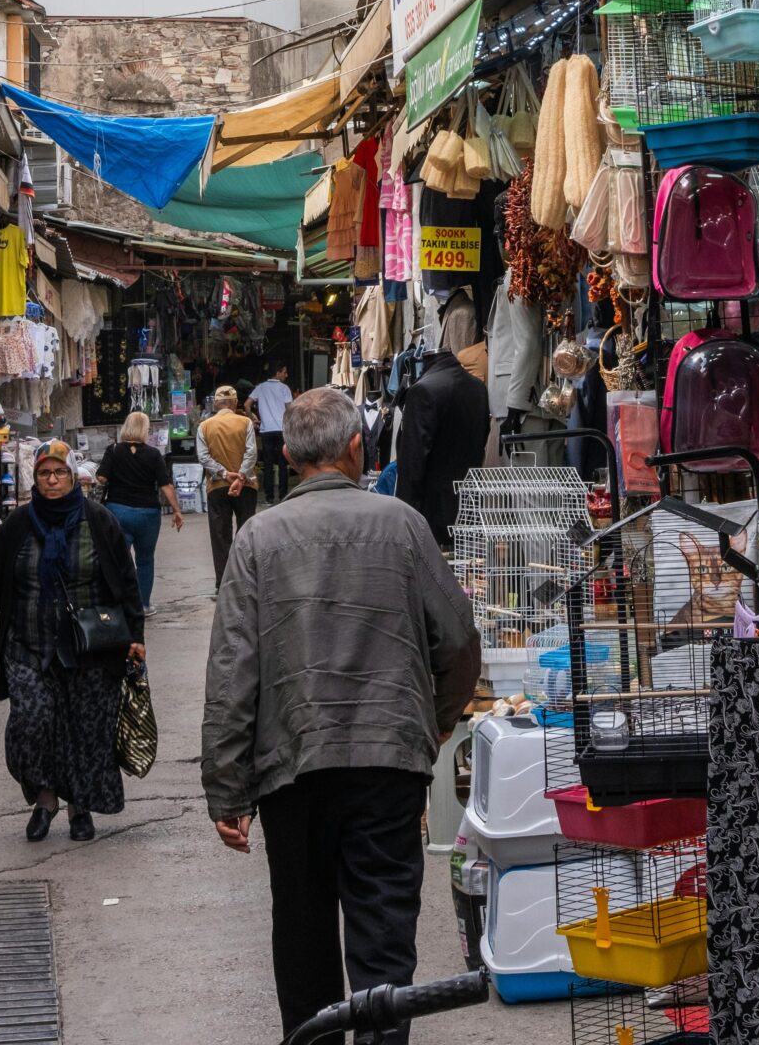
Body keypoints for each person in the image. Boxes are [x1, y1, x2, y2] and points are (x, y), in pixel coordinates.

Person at [201, 388, 482, 1045]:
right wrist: (436, 721)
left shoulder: (258, 537)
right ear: (357, 448)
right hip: (387, 765)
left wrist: (227, 784)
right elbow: (459, 640)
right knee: (383, 938)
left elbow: (232, 668)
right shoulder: (403, 524)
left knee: (301, 936)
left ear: (290, 455)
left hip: (290, 768)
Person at [0, 444, 144, 843]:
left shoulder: (98, 521)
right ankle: (45, 797)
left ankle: (79, 806)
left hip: (88, 647)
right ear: (34, 479)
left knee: (84, 730)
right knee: (32, 720)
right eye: (44, 473)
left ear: (73, 477)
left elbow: (126, 581)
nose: (52, 480)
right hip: (28, 643)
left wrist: (135, 635)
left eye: (60, 472)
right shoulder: (19, 524)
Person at [393, 345, 490, 549]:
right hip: (468, 506)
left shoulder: (423, 391)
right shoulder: (478, 388)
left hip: (430, 511)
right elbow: (481, 441)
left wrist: (404, 517)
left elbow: (412, 462)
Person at [94, 413, 183, 612]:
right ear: (145, 430)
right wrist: (177, 510)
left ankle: (123, 603)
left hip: (118, 511)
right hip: (148, 514)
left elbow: (101, 477)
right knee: (145, 560)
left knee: (120, 558)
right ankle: (143, 605)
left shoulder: (114, 450)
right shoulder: (153, 454)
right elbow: (165, 485)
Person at [197, 384, 258, 586]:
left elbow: (203, 457)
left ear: (215, 404)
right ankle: (246, 580)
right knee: (246, 534)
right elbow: (251, 453)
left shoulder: (204, 426)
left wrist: (223, 473)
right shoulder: (245, 422)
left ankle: (223, 584)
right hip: (246, 485)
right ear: (235, 403)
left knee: (220, 536)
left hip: (217, 486)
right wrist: (240, 476)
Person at [246, 363, 294, 503]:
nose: (286, 375)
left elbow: (247, 404)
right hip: (281, 430)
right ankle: (283, 496)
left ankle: (269, 498)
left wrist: (252, 418)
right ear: (277, 373)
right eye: (284, 372)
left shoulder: (260, 388)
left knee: (267, 465)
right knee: (283, 464)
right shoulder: (284, 388)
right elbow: (290, 409)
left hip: (266, 431)